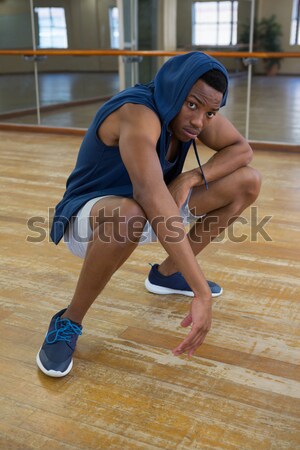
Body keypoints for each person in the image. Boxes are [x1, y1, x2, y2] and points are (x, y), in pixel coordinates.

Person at [36, 52, 261, 377]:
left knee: (248, 181)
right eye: (193, 105)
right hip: (92, 220)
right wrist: (200, 291)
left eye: (211, 112)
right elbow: (149, 195)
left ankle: (167, 275)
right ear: (173, 90)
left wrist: (190, 177)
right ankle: (68, 321)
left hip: (153, 211)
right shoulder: (137, 113)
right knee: (130, 213)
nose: (199, 121)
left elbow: (243, 150)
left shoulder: (195, 120)